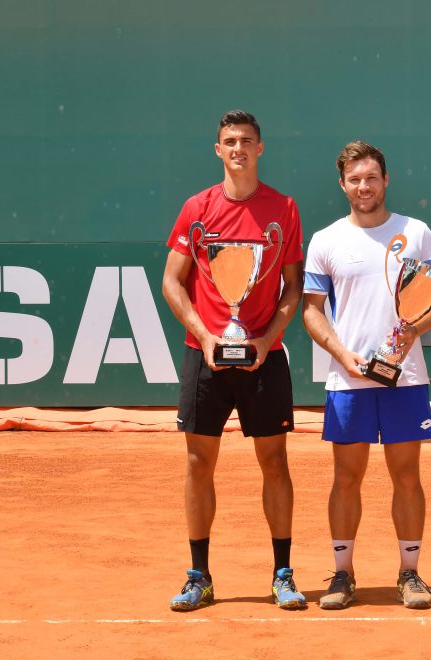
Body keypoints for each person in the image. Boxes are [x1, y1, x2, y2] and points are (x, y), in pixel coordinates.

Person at [161, 109, 306, 611]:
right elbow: (171, 281)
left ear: (260, 148)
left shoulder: (283, 208)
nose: (238, 147)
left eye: (246, 140)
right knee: (199, 463)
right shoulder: (196, 208)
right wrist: (203, 335)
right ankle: (199, 575)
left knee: (275, 463)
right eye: (229, 141)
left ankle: (282, 573)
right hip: (204, 359)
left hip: (263, 359)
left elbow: (292, 289)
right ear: (217, 149)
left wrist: (266, 340)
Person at [302, 140, 431, 610]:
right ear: (342, 184)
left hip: (404, 378)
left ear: (386, 180)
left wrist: (411, 334)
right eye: (354, 179)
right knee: (347, 477)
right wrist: (343, 355)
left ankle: (410, 573)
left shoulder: (417, 233)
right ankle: (342, 575)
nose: (364, 186)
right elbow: (311, 312)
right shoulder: (326, 240)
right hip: (348, 382)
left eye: (371, 177)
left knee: (407, 476)